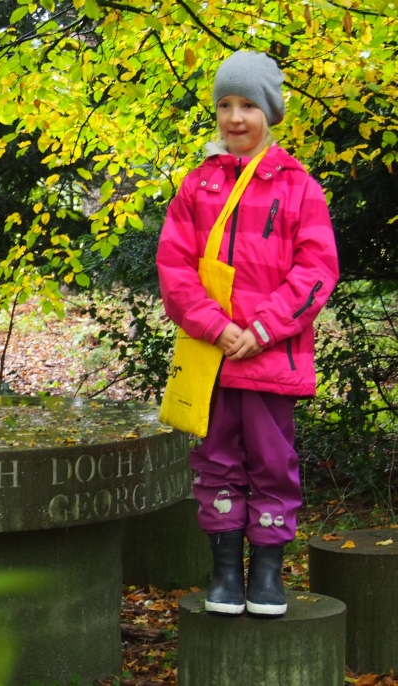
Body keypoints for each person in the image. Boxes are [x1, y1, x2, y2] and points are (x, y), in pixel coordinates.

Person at [156, 51, 338, 617]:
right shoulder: (196, 186)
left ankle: (266, 574)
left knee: (271, 462)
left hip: (270, 360)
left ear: (270, 112)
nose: (236, 118)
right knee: (216, 462)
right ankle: (225, 573)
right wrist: (217, 327)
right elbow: (175, 268)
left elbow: (316, 271)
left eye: (248, 105)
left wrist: (260, 329)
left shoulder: (300, 188)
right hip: (211, 358)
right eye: (225, 105)